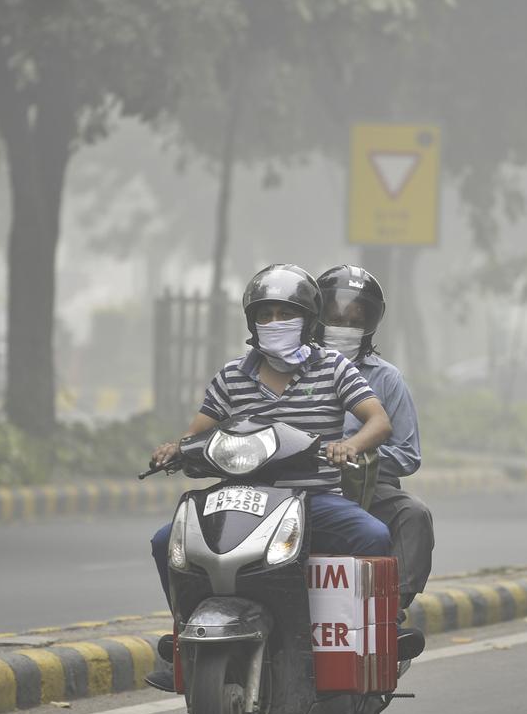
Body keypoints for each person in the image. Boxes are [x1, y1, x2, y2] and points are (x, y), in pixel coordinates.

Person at [144, 264, 393, 691]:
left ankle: (368, 645)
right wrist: (175, 449)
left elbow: (378, 421)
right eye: (266, 315)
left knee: (372, 536)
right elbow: (196, 433)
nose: (274, 323)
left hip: (313, 499)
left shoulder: (332, 367)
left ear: (309, 321)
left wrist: (350, 446)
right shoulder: (231, 377)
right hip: (239, 500)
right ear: (252, 322)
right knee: (166, 541)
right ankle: (186, 642)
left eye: (285, 314)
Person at [315, 264, 434, 610]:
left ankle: (392, 610)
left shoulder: (387, 379)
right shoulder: (296, 367)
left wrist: (359, 455)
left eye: (354, 322)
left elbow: (409, 455)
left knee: (414, 515)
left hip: (367, 488)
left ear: (369, 326)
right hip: (302, 482)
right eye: (335, 319)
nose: (344, 329)